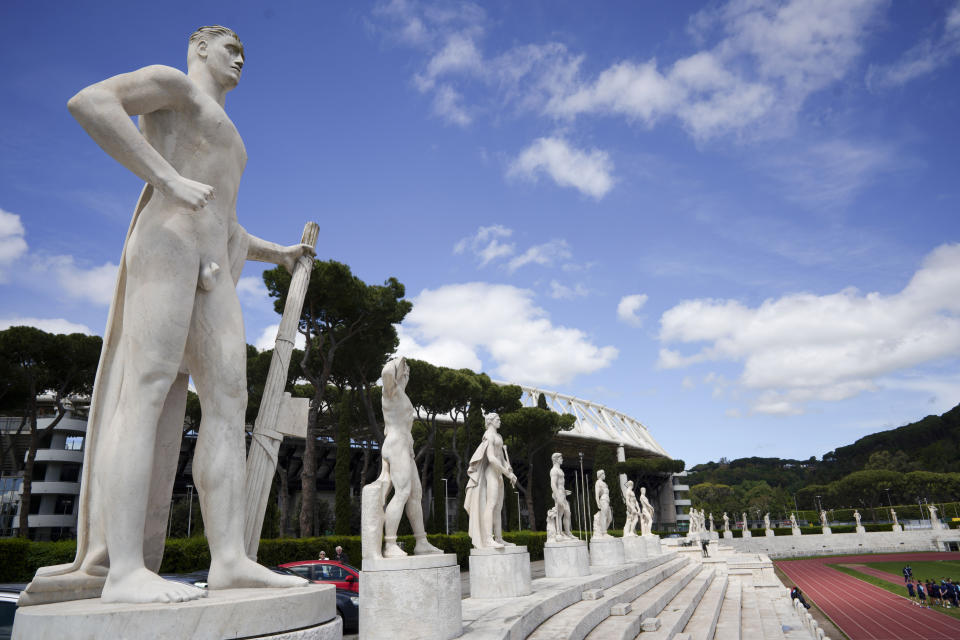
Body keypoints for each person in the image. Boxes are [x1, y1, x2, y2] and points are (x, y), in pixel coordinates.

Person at [23, 25, 313, 606]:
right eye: (232, 48)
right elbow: (91, 103)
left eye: (246, 54)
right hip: (166, 247)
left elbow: (224, 222)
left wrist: (277, 253)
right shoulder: (175, 85)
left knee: (230, 406)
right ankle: (126, 567)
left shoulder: (235, 137)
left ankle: (229, 559)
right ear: (201, 47)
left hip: (212, 266)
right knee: (146, 393)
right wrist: (165, 177)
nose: (240, 59)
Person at [377, 358, 443, 558]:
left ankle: (421, 542)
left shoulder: (402, 395)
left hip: (405, 447)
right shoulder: (391, 392)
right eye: (405, 373)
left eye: (408, 374)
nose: (407, 376)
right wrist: (398, 362)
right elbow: (387, 373)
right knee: (402, 492)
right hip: (396, 444)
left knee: (416, 494)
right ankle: (389, 544)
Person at [464, 413, 518, 549]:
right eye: (497, 419)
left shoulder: (499, 436)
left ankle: (499, 538)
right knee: (491, 504)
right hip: (491, 473)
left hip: (499, 473)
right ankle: (488, 539)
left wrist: (508, 468)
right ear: (490, 421)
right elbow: (491, 458)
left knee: (498, 508)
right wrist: (507, 474)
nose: (500, 421)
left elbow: (501, 458)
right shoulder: (488, 435)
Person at [549, 453, 575, 540]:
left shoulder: (560, 470)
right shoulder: (554, 470)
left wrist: (564, 491)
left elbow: (560, 484)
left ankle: (567, 532)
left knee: (568, 513)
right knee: (560, 514)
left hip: (562, 493)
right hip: (558, 494)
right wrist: (558, 496)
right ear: (556, 459)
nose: (562, 459)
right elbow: (553, 484)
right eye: (560, 458)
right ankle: (560, 533)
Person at [593, 470, 613, 537]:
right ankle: (604, 533)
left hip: (607, 500)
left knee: (609, 518)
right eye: (604, 474)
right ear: (601, 474)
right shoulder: (598, 482)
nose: (605, 475)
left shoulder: (605, 483)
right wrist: (598, 503)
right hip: (603, 500)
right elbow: (596, 494)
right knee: (604, 516)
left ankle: (601, 531)